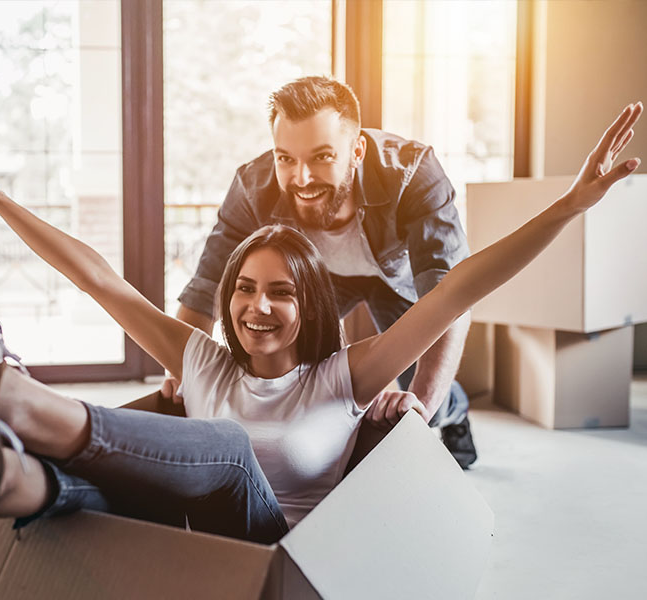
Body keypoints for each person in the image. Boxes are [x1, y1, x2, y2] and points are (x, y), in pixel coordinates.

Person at [0, 101, 642, 574]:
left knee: (224, 446)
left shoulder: (347, 375)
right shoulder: (203, 361)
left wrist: (572, 204)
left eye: (281, 291)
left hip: (283, 556)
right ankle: (1, 479)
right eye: (245, 289)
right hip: (201, 539)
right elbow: (103, 281)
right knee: (95, 487)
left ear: (310, 305)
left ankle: (12, 396)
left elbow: (463, 285)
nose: (257, 307)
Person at [170, 76, 476, 467]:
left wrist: (420, 413)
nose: (302, 178)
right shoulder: (253, 187)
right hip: (320, 279)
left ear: (357, 150)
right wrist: (181, 374)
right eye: (286, 158)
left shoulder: (414, 172)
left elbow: (450, 297)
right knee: (302, 361)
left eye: (322, 157)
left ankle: (456, 412)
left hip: (395, 278)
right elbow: (206, 287)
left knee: (422, 380)